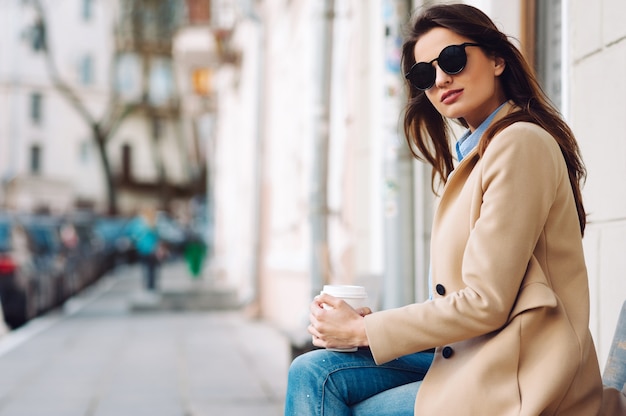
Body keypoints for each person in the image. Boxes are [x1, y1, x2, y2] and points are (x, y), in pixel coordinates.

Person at [285, 4, 626, 415]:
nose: (442, 78)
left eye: (453, 59)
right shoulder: (479, 153)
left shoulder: (519, 143)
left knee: (346, 403)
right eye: (424, 75)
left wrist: (363, 329)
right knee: (312, 371)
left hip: (523, 374)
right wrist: (370, 328)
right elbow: (464, 297)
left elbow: (486, 300)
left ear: (497, 59)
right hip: (481, 352)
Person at [130, 206, 165, 291]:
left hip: (142, 249)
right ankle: (151, 286)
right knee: (152, 269)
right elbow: (158, 237)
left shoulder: (138, 223)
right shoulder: (153, 222)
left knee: (145, 268)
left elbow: (133, 235)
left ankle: (148, 286)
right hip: (152, 250)